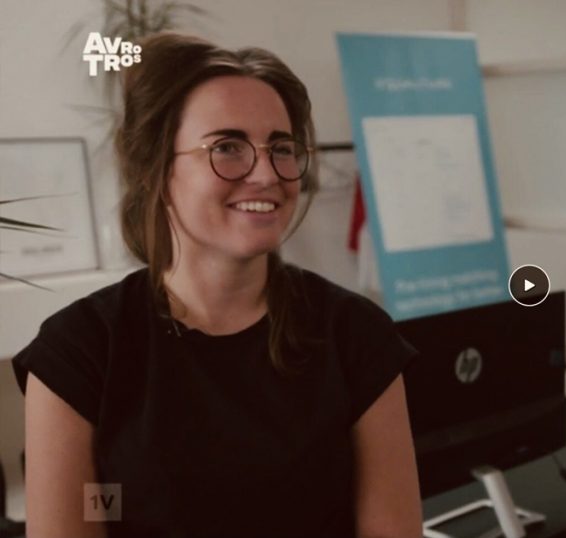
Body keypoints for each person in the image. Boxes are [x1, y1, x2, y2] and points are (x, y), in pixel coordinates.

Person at [13, 33, 422, 537]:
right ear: (156, 169)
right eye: (227, 147)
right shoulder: (81, 351)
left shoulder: (356, 335)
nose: (266, 174)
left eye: (282, 148)